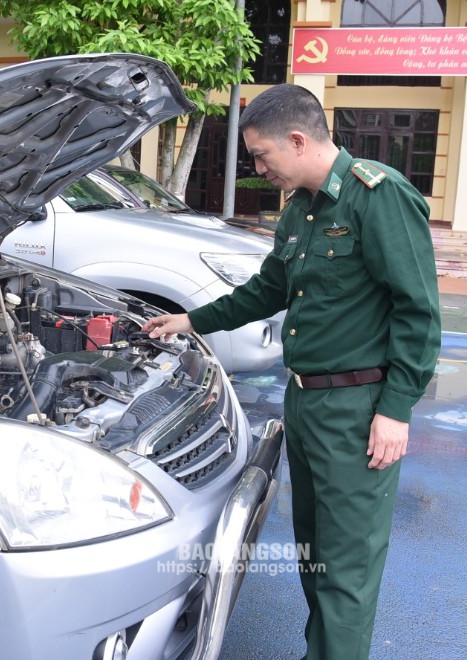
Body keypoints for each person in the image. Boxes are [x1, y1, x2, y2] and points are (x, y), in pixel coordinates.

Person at [143, 83, 441, 660]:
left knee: (346, 571)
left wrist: (395, 411)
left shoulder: (377, 197)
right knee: (315, 553)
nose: (257, 168)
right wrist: (190, 320)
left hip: (359, 410)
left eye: (260, 155)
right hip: (305, 403)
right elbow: (267, 290)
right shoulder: (304, 207)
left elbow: (418, 311)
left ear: (298, 140)